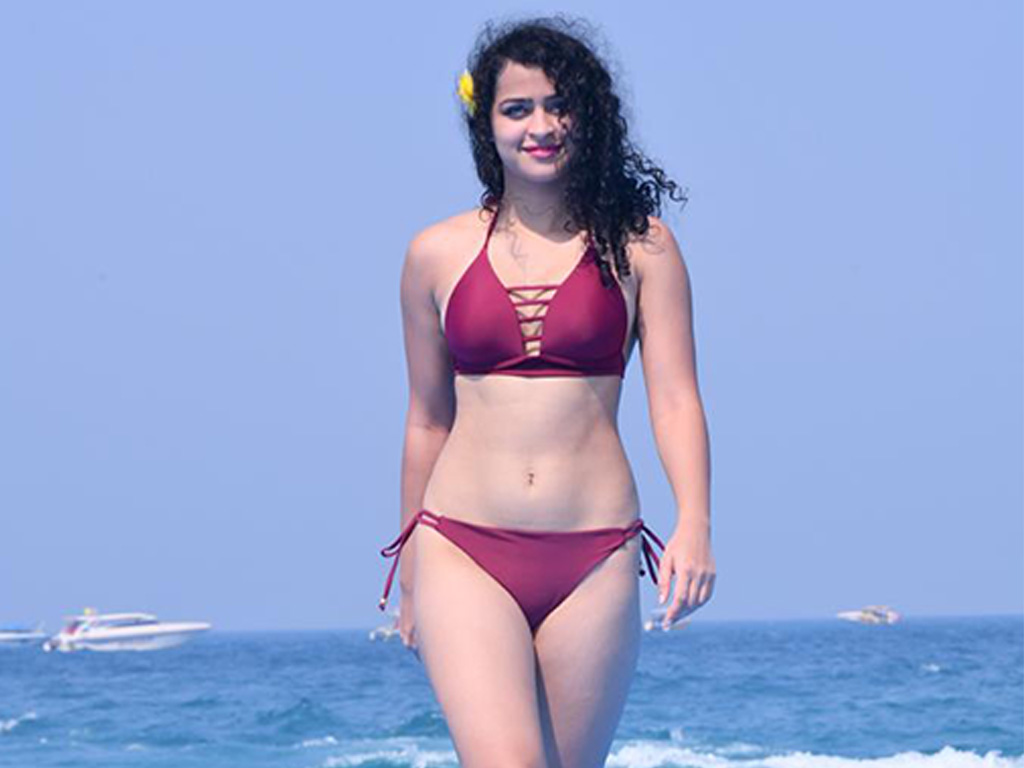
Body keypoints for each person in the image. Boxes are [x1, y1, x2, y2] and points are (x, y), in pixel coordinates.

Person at [377, 16, 715, 768]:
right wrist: (411, 574)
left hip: (595, 553)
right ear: (486, 123)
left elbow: (675, 400)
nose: (540, 126)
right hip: (462, 545)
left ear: (587, 115)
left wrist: (694, 522)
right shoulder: (434, 254)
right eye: (517, 108)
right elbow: (427, 419)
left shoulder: (644, 248)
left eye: (558, 106)